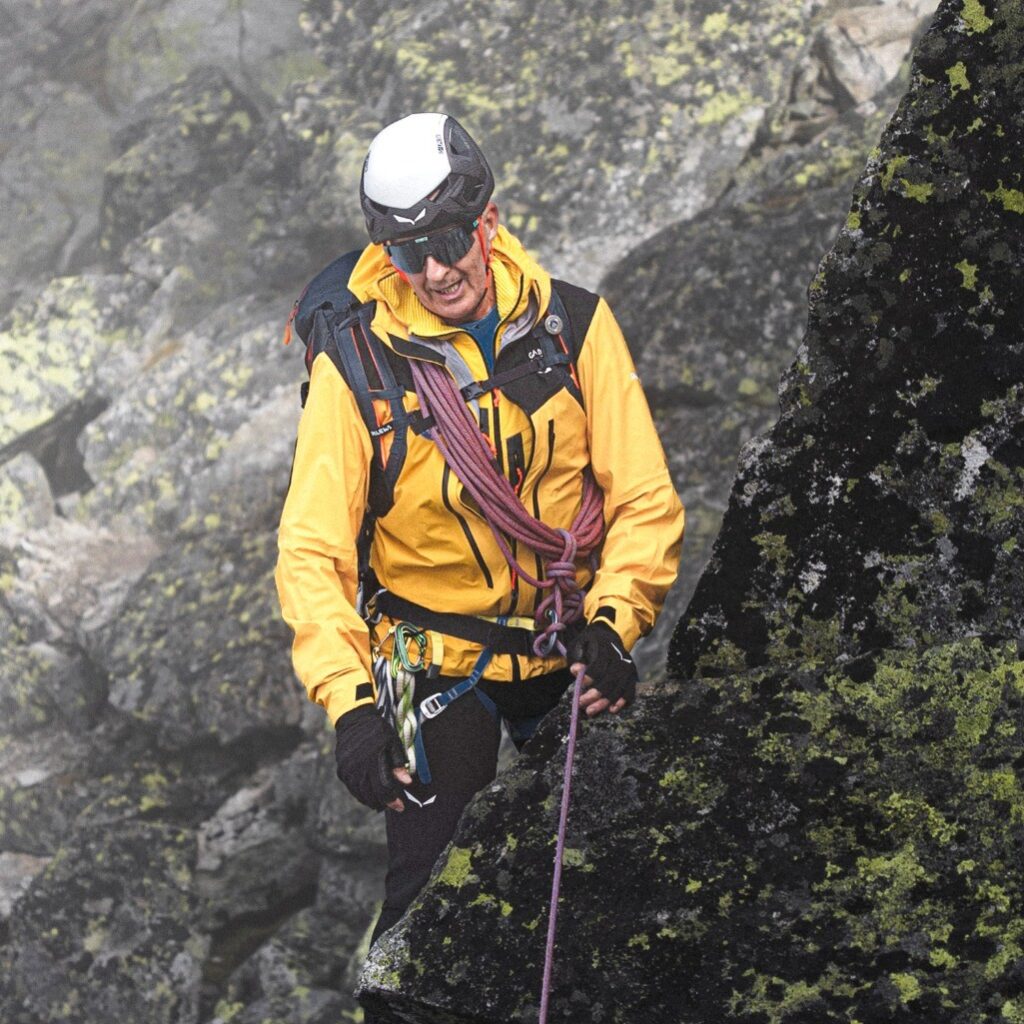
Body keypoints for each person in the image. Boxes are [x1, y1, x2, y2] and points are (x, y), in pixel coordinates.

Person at [275, 112, 684, 957]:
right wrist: (352, 706)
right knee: (423, 907)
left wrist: (615, 625)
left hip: (565, 639)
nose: (433, 269)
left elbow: (643, 498)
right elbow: (310, 553)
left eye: (450, 238)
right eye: (406, 252)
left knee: (625, 875)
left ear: (488, 220)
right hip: (425, 657)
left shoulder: (573, 327)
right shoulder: (356, 372)